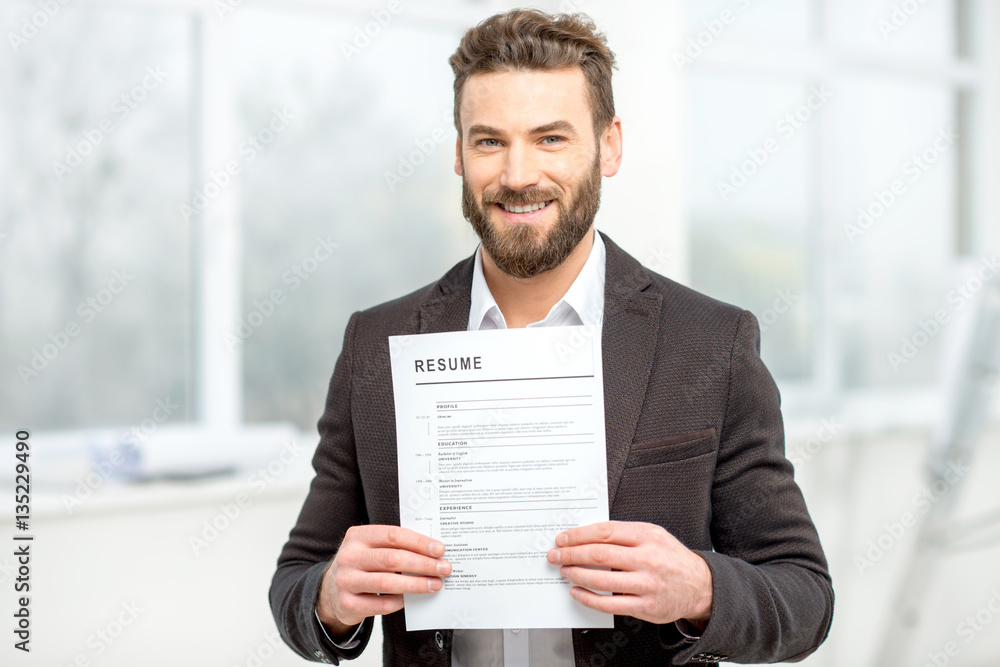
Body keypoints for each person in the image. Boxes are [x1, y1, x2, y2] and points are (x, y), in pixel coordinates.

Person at [269, 9, 833, 666]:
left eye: (550, 138)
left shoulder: (711, 343)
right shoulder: (377, 343)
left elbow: (805, 598)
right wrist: (330, 597)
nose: (517, 174)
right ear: (457, 151)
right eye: (488, 141)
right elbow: (296, 581)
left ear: (610, 145)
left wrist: (700, 586)